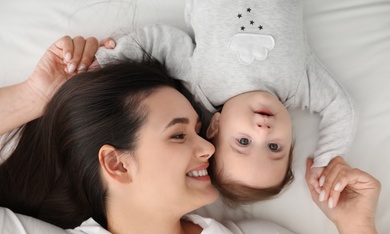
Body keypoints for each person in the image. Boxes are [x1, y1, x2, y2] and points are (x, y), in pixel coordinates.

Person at [0, 36, 387, 234]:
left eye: (201, 132)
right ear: (117, 164)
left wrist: (356, 229)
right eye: (179, 135)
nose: (208, 148)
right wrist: (34, 97)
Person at [95, 0, 358, 206]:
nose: (263, 131)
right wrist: (325, 161)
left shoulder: (201, 83)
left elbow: (156, 42)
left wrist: (105, 61)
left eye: (243, 142)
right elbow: (341, 108)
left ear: (216, 127)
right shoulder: (302, 84)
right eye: (275, 146)